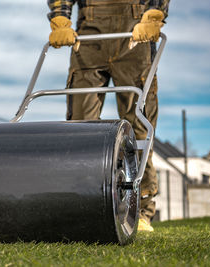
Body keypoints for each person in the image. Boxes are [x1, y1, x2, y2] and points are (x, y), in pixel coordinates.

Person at [47, 0, 170, 232]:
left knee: (138, 128)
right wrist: (60, 17)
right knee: (80, 128)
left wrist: (154, 14)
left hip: (136, 32)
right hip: (89, 35)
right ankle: (81, 204)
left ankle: (141, 211)